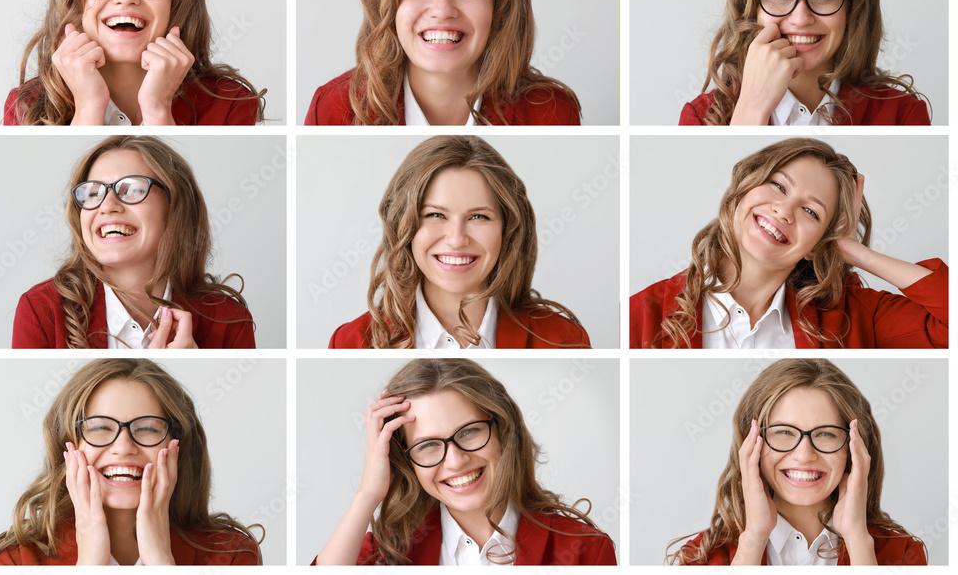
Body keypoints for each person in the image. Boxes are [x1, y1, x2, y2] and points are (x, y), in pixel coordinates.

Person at [630, 138, 947, 348]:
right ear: (744, 190)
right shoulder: (642, 315)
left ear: (817, 244)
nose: (783, 211)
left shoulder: (856, 317)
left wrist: (858, 253)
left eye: (811, 211)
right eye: (778, 186)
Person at [316, 358, 614, 565]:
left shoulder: (586, 550)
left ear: (503, 430)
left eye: (469, 431)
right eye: (428, 445)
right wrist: (368, 493)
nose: (456, 460)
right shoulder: (389, 552)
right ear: (407, 461)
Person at [0, 358, 262, 565]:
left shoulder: (231, 554)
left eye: (148, 428)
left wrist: (161, 559)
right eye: (100, 427)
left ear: (178, 445)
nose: (123, 447)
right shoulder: (15, 560)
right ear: (68, 445)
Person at [305, 0, 580, 126]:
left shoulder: (552, 112)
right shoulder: (333, 108)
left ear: (500, 8)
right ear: (387, 4)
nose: (442, 10)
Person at [329, 136, 590, 349]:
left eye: (479, 216)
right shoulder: (350, 344)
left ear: (507, 229)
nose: (456, 239)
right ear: (403, 226)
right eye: (435, 215)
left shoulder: (563, 339)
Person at [4, 0, 264, 126]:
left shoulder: (232, 102)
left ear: (177, 0)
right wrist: (88, 107)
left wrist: (158, 110)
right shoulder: (26, 105)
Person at [668, 358, 926, 565]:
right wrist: (754, 539)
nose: (804, 455)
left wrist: (858, 541)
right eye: (783, 432)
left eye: (825, 433)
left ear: (854, 448)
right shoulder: (701, 558)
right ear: (751, 444)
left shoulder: (902, 554)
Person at [680, 0, 929, 126]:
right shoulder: (699, 118)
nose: (800, 19)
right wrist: (751, 109)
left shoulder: (902, 114)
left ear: (852, 8)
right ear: (751, 7)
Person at [13, 135, 254, 349]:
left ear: (175, 208)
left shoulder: (229, 321)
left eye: (132, 190)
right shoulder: (40, 310)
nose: (107, 206)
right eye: (93, 193)